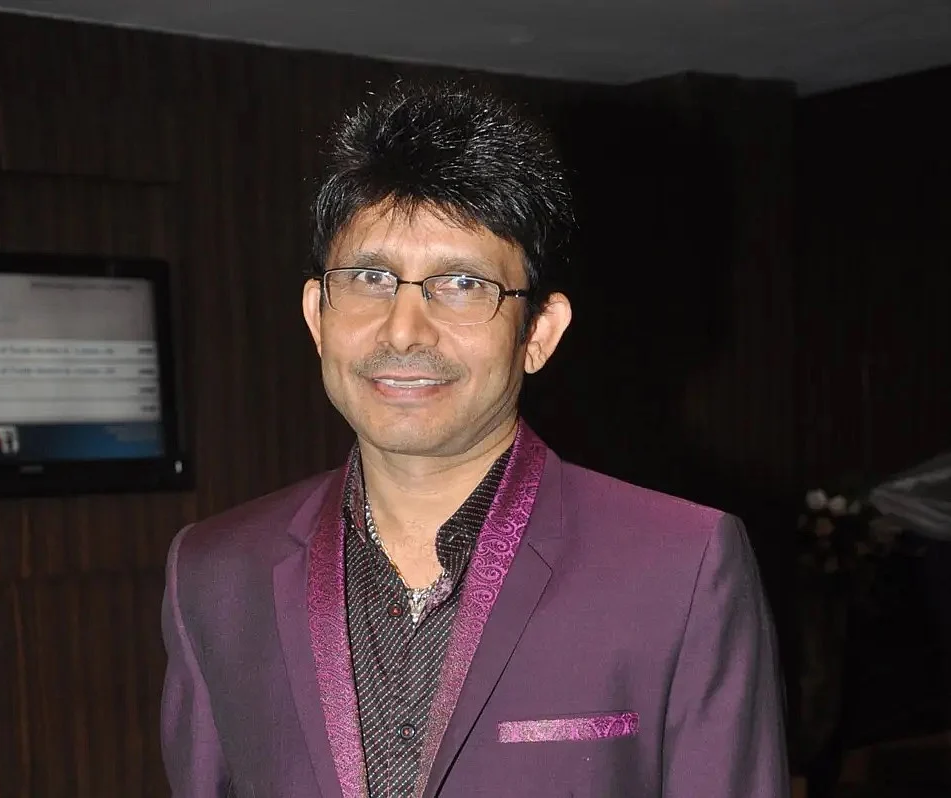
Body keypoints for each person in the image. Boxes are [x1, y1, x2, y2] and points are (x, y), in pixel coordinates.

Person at [160, 81, 789, 798]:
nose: (404, 331)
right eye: (370, 277)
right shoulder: (215, 574)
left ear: (538, 333)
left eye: (461, 284)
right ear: (317, 315)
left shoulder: (680, 565)